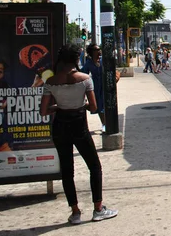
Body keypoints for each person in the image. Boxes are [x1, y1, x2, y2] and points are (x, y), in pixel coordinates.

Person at [40, 44, 118, 225]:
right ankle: (98, 209)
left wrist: (60, 106)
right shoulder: (84, 79)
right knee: (94, 166)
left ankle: (75, 212)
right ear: (76, 59)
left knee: (67, 171)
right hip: (79, 126)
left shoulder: (51, 81)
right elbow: (93, 107)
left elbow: (44, 111)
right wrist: (79, 105)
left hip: (60, 126)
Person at [81, 44, 105, 131]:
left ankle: (106, 123)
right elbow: (83, 74)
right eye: (97, 50)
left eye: (99, 49)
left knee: (106, 106)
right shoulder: (89, 63)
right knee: (99, 107)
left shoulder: (103, 61)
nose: (99, 51)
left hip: (105, 87)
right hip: (95, 88)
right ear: (92, 52)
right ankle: (104, 124)